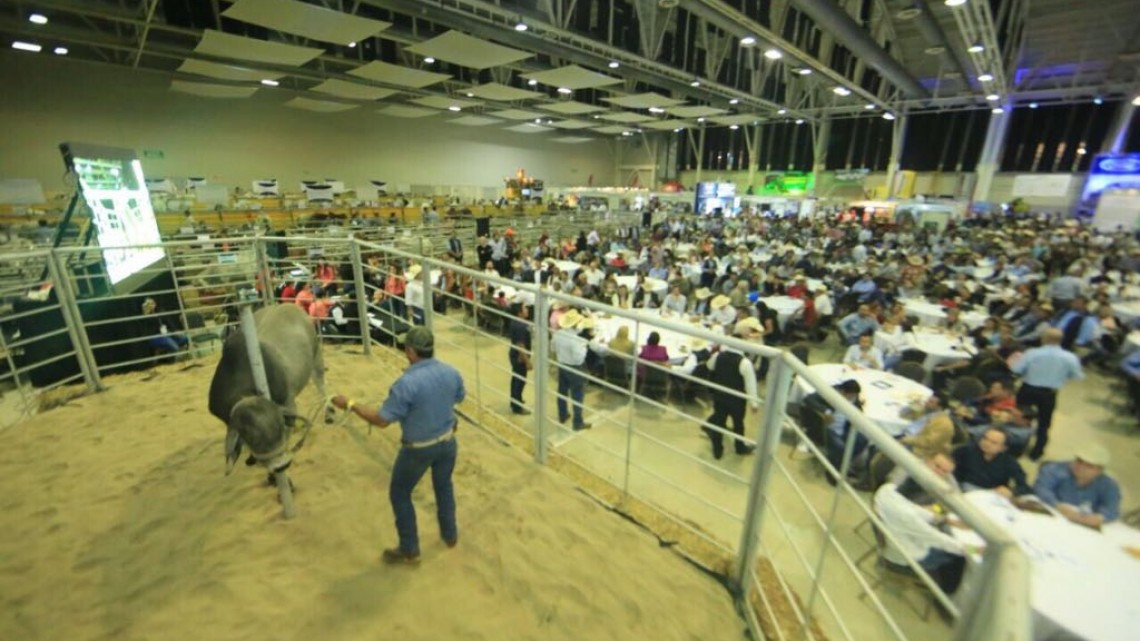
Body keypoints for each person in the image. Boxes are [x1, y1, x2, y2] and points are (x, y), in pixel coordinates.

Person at [331, 327, 465, 564]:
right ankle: (450, 535)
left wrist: (350, 403)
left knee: (400, 492)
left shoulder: (406, 383)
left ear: (411, 352)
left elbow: (382, 420)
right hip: (447, 442)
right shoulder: (451, 372)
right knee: (444, 486)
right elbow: (458, 398)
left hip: (418, 449)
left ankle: (409, 547)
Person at [873, 451, 968, 595]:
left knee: (944, 534)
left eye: (945, 472)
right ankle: (943, 597)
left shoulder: (887, 490)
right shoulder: (910, 516)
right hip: (903, 554)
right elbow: (945, 542)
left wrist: (944, 517)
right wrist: (973, 550)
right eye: (937, 467)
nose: (940, 474)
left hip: (896, 527)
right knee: (956, 557)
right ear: (927, 461)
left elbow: (923, 511)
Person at [1011, 327, 1083, 460]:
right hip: (1049, 393)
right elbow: (1077, 376)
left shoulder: (1032, 353)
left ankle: (1016, 446)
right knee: (1044, 423)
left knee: (1020, 418)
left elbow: (1017, 369)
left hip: (1029, 388)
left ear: (1045, 339)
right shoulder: (1070, 357)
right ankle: (1037, 452)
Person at [702, 318, 761, 459]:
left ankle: (718, 450)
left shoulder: (718, 356)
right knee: (738, 424)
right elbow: (750, 384)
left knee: (719, 422)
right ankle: (739, 447)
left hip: (720, 396)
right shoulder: (745, 362)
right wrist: (754, 403)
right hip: (736, 399)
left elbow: (709, 366)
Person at [1033, 444, 1121, 526]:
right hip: (1051, 518)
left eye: (1089, 466)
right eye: (1079, 461)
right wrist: (1057, 505)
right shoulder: (1054, 469)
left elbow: (1112, 509)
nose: (1081, 467)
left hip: (1081, 525)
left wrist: (1099, 518)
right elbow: (1041, 488)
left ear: (1099, 471)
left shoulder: (1109, 485)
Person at [551, 310, 597, 430]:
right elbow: (578, 359)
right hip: (575, 368)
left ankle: (563, 414)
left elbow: (553, 348)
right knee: (577, 395)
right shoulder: (577, 340)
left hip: (562, 365)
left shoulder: (557, 334)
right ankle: (577, 422)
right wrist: (585, 346)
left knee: (562, 391)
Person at [951, 428, 1030, 496]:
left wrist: (1011, 491)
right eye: (985, 438)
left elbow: (1024, 487)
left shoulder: (1009, 462)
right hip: (961, 489)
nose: (987, 443)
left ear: (1003, 448)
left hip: (989, 495)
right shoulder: (966, 450)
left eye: (993, 443)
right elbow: (950, 464)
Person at [508, 305, 532, 416]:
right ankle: (517, 407)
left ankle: (515, 400)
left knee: (515, 379)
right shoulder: (521, 326)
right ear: (519, 313)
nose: (527, 310)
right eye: (524, 309)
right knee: (520, 381)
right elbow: (520, 345)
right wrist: (527, 360)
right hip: (519, 356)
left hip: (514, 354)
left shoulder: (514, 322)